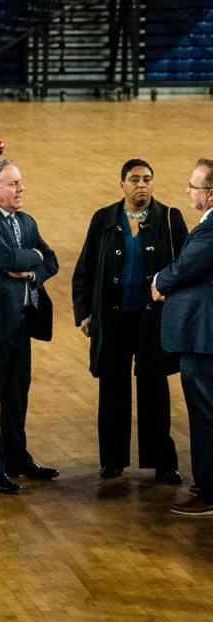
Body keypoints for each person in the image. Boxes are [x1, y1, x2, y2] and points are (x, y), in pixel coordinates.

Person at [72, 159, 187, 484]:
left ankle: (162, 462)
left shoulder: (169, 218)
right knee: (112, 388)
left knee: (154, 388)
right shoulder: (104, 219)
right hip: (114, 319)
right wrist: (83, 311)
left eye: (147, 179)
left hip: (153, 321)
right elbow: (85, 269)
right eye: (134, 179)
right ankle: (112, 460)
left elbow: (187, 267)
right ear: (122, 184)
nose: (142, 185)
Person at [0, 159, 61, 493]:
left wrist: (31, 268)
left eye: (20, 182)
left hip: (21, 323)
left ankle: (16, 458)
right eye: (13, 184)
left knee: (18, 395)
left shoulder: (26, 221)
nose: (21, 189)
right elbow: (6, 260)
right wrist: (30, 256)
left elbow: (51, 261)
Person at [151, 158, 213, 516]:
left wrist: (159, 281)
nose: (189, 191)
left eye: (194, 186)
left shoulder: (210, 229)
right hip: (201, 337)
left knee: (205, 416)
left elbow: (187, 266)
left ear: (211, 193)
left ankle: (208, 490)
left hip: (203, 339)